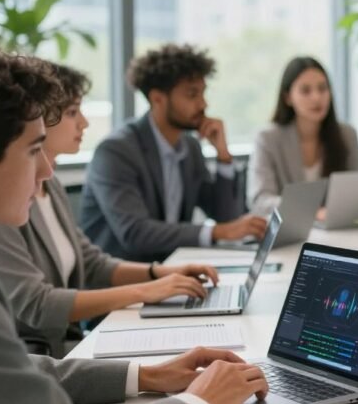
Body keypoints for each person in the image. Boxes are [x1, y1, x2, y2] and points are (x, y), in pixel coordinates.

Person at [0, 48, 268, 404]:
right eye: (34, 149)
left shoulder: (186, 147)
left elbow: (24, 369)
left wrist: (150, 374)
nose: (45, 170)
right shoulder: (118, 150)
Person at [0, 63, 222, 358]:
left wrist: (158, 274)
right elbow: (37, 305)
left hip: (67, 351)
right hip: (46, 356)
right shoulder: (4, 204)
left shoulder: (51, 185)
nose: (84, 123)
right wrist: (145, 291)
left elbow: (92, 264)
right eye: (73, 112)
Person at [81, 44, 266, 263]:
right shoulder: (116, 152)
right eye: (192, 94)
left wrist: (223, 156)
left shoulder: (190, 147)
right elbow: (135, 233)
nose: (203, 103)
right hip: (122, 281)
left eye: (203, 92)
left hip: (172, 272)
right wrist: (217, 232)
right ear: (157, 98)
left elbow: (226, 218)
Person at [249, 56, 358, 216]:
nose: (317, 97)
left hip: (337, 233)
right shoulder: (268, 139)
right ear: (288, 98)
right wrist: (311, 211)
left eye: (322, 88)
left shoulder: (346, 134)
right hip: (290, 234)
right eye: (306, 90)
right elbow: (260, 201)